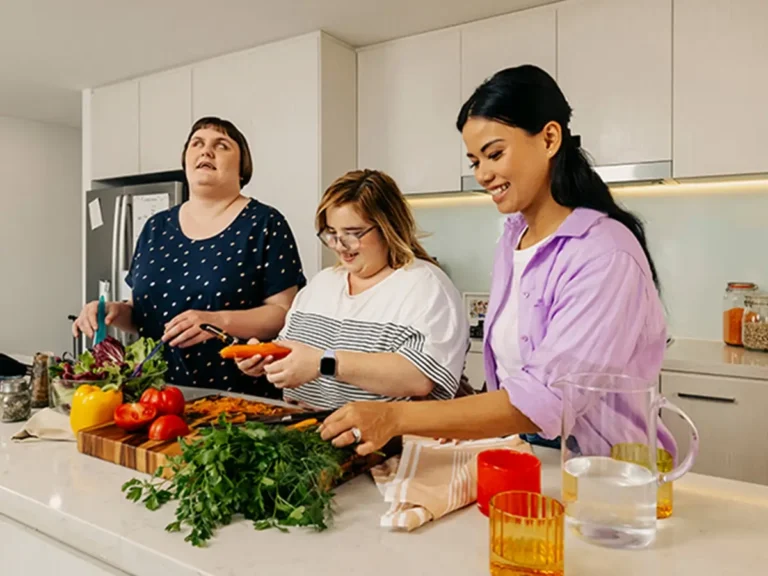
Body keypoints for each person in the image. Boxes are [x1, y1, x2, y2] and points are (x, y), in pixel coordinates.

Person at [319, 65, 669, 455]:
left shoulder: (605, 253)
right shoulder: (513, 238)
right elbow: (513, 378)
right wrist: (472, 422)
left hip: (603, 471)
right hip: (529, 457)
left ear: (550, 138)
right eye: (474, 161)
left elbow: (545, 398)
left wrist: (396, 418)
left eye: (494, 154)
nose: (483, 173)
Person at [73, 117, 306, 397]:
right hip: (153, 395)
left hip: (236, 399)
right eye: (197, 143)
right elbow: (141, 314)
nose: (206, 151)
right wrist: (112, 312)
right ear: (185, 160)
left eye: (221, 146)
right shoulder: (155, 227)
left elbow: (283, 314)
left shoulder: (264, 223)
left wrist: (216, 321)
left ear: (243, 169)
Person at [236, 169, 470, 409]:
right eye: (331, 233)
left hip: (385, 441)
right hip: (308, 432)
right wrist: (265, 359)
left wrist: (324, 363)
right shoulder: (321, 284)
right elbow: (293, 353)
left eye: (353, 233)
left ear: (389, 228)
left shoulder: (425, 285)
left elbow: (419, 377)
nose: (339, 246)